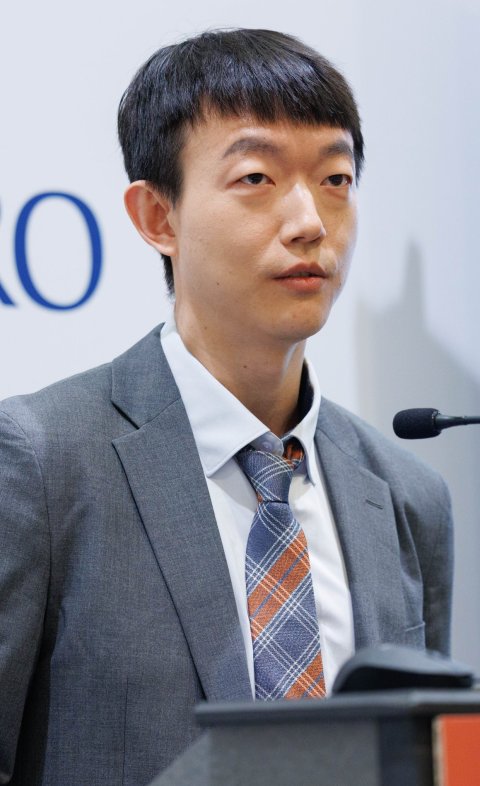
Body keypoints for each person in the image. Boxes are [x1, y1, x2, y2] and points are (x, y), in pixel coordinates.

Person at [0, 28, 452, 786]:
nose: (310, 221)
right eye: (256, 177)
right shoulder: (41, 461)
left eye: (335, 179)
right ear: (158, 217)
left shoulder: (409, 496)